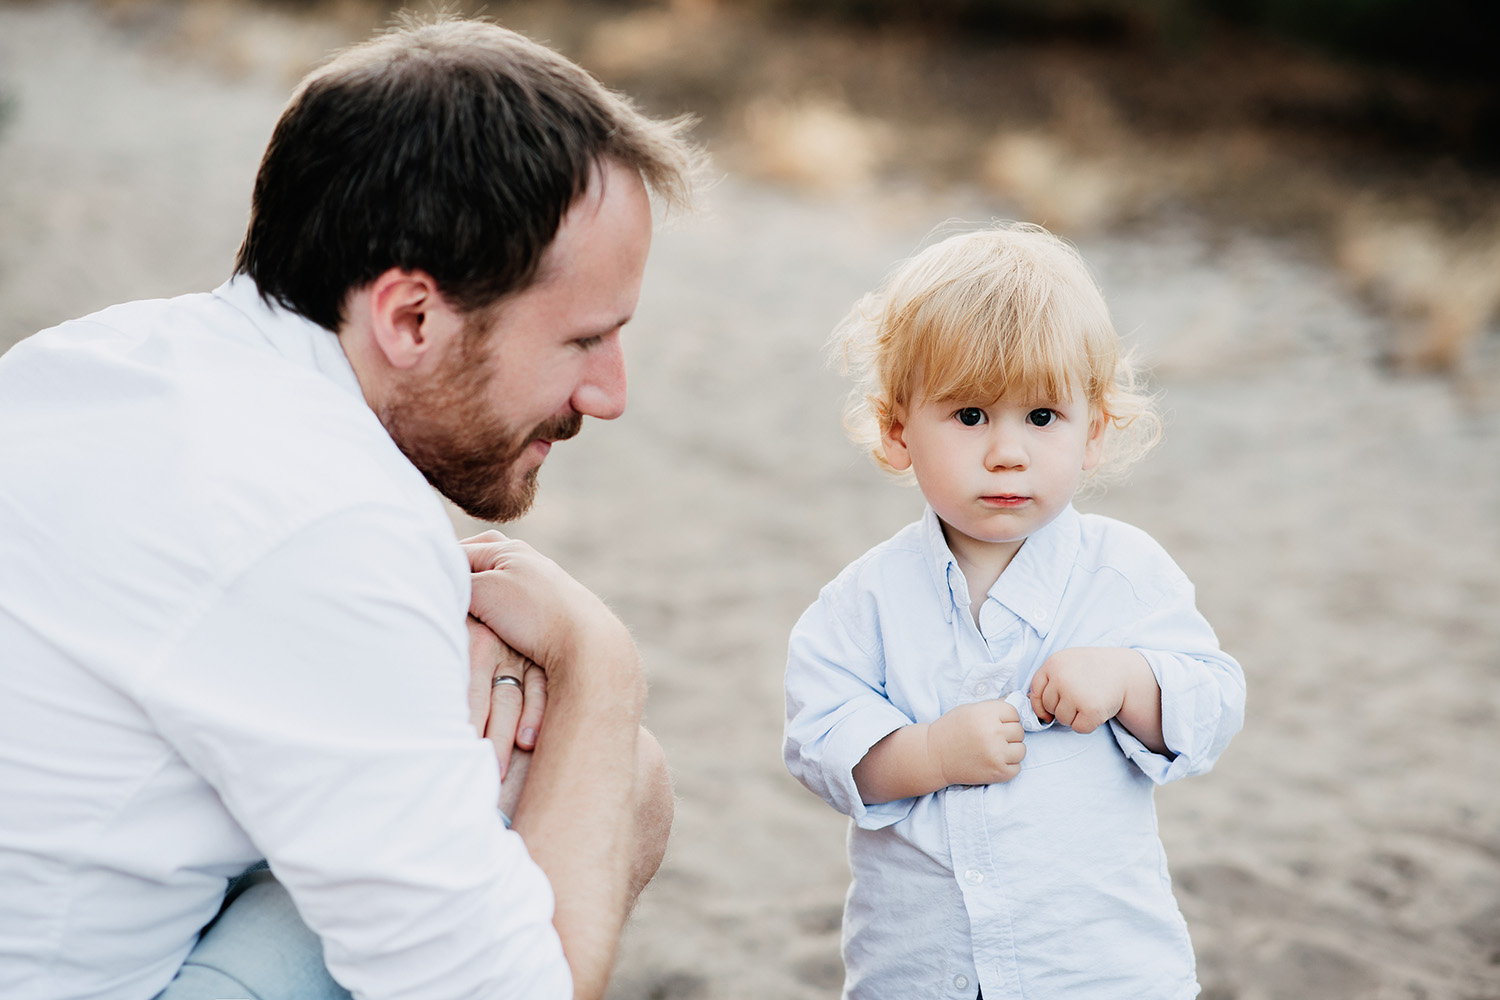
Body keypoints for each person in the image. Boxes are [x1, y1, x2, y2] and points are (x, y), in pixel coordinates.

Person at [0, 16, 696, 1000]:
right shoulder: (329, 523)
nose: (609, 393)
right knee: (612, 777)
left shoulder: (89, 360)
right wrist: (600, 665)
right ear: (410, 318)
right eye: (584, 341)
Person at [782, 223, 1246, 999]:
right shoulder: (863, 603)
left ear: (1092, 431)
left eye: (1041, 418)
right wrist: (928, 755)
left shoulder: (1123, 574)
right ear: (899, 430)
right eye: (969, 416)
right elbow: (821, 747)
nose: (1007, 453)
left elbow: (1216, 704)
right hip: (925, 973)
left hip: (1098, 972)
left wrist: (1132, 681)